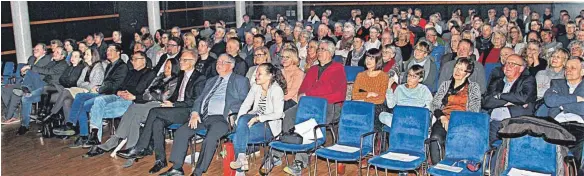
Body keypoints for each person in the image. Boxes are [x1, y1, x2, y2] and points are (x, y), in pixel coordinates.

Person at [118, 54, 249, 176]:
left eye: (222, 62)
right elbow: (199, 99)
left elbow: (244, 102)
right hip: (203, 116)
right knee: (182, 131)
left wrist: (232, 114)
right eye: (218, 62)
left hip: (222, 119)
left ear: (231, 65)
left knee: (210, 138)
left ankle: (198, 172)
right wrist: (195, 112)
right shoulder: (211, 80)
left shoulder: (240, 80)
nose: (218, 64)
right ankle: (176, 168)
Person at [84, 52, 204, 158]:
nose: (166, 69)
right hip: (158, 103)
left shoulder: (183, 78)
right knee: (134, 110)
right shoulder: (172, 77)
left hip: (169, 106)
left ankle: (122, 142)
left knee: (136, 108)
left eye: (183, 60)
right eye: (166, 66)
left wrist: (172, 103)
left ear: (193, 62)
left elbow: (181, 98)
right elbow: (149, 91)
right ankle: (129, 146)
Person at [279, 40, 347, 170]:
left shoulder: (338, 68)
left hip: (330, 107)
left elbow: (338, 94)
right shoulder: (313, 69)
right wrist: (301, 96)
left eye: (322, 49)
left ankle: (300, 162)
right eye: (319, 49)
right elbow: (303, 89)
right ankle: (284, 149)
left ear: (331, 53)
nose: (319, 52)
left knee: (307, 123)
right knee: (288, 115)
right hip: (308, 105)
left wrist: (311, 96)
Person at [53, 44, 128, 147]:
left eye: (111, 50)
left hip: (111, 95)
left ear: (118, 52)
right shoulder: (110, 65)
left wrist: (99, 88)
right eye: (107, 50)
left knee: (81, 104)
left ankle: (81, 133)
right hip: (103, 92)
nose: (108, 52)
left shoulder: (122, 66)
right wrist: (99, 88)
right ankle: (71, 124)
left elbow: (116, 85)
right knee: (79, 96)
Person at [79, 51, 156, 147]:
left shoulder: (149, 73)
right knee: (99, 100)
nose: (133, 62)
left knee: (95, 110)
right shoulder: (131, 72)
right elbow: (119, 86)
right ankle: (94, 136)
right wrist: (118, 92)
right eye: (132, 59)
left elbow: (142, 90)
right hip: (118, 96)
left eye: (136, 59)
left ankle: (95, 137)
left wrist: (132, 95)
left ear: (143, 60)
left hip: (130, 99)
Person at [230, 63, 286, 171]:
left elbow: (278, 114)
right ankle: (242, 158)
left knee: (238, 136)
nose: (256, 76)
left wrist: (258, 118)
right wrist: (238, 121)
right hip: (255, 116)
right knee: (241, 120)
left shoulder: (276, 90)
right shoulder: (256, 86)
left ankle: (240, 169)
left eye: (259, 74)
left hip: (269, 124)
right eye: (256, 73)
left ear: (269, 76)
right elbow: (246, 104)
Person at [429, 58, 481, 164]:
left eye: (461, 69)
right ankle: (437, 169)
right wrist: (442, 117)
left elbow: (474, 110)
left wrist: (455, 121)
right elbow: (434, 104)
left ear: (468, 73)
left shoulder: (473, 87)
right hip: (444, 118)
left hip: (462, 121)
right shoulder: (446, 85)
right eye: (456, 67)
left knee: (458, 142)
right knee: (435, 138)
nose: (457, 71)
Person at [11, 46, 69, 135]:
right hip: (44, 86)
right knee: (25, 98)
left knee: (31, 72)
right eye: (55, 51)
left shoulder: (63, 64)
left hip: (53, 88)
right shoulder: (53, 62)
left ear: (63, 56)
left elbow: (48, 71)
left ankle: (26, 89)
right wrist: (27, 73)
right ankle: (24, 126)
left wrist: (30, 68)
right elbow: (41, 71)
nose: (54, 53)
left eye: (58, 52)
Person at [483, 54, 537, 143]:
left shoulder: (528, 80)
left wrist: (500, 96)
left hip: (516, 120)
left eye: (513, 64)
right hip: (495, 120)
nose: (508, 66)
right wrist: (507, 102)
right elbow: (486, 101)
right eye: (507, 63)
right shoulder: (497, 81)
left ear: (521, 69)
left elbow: (524, 98)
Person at [543, 57, 584, 170]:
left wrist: (561, 104)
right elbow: (550, 101)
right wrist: (576, 99)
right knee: (547, 151)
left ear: (582, 71)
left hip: (578, 126)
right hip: (555, 123)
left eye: (573, 68)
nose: (568, 70)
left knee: (573, 157)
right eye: (566, 68)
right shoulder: (557, 83)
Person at [49, 48, 105, 130]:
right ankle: (70, 126)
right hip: (82, 90)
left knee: (65, 91)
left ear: (93, 56)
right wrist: (86, 84)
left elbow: (93, 85)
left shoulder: (98, 68)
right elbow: (79, 82)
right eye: (85, 54)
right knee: (66, 101)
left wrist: (85, 85)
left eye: (87, 54)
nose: (85, 56)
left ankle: (52, 114)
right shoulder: (86, 68)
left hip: (92, 93)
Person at [40, 51, 85, 122]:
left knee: (57, 95)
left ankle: (51, 113)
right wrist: (67, 82)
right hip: (66, 89)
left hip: (74, 91)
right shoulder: (69, 67)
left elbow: (73, 81)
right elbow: (61, 79)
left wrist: (67, 82)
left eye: (76, 56)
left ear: (80, 59)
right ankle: (45, 112)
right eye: (72, 56)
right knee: (47, 90)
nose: (73, 58)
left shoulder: (81, 68)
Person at [351, 48, 389, 130]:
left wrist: (363, 98)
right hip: (361, 104)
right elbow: (354, 95)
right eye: (367, 57)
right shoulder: (360, 75)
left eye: (371, 58)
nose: (368, 60)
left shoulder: (383, 76)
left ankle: (372, 141)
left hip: (376, 106)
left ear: (378, 60)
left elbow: (380, 99)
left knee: (371, 114)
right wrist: (369, 94)